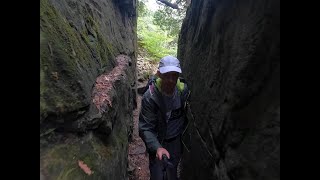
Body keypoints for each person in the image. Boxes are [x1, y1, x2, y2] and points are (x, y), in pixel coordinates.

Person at [139, 55, 190, 180]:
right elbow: (145, 127)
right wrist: (157, 148)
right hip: (158, 140)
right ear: (159, 74)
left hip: (175, 141)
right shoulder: (150, 97)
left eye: (174, 75)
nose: (171, 80)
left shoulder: (183, 91)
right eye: (167, 75)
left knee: (172, 171)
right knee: (157, 174)